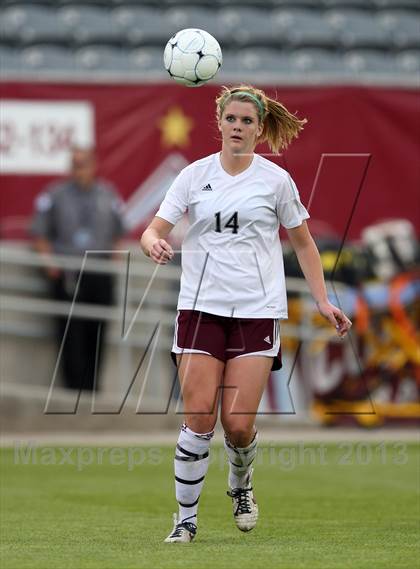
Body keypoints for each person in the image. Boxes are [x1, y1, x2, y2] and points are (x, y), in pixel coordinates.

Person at [140, 85, 352, 543]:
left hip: (257, 310)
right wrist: (154, 241)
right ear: (219, 122)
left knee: (237, 425)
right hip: (199, 308)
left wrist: (321, 299)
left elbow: (303, 243)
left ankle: (241, 483)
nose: (238, 127)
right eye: (231, 119)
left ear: (259, 129)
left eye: (247, 122)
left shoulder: (275, 181)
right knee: (199, 417)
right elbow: (152, 229)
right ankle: (184, 520)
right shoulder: (194, 176)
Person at [31, 146, 126, 391]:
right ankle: (72, 393)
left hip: (99, 274)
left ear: (94, 166)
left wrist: (115, 260)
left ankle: (92, 391)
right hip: (68, 274)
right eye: (74, 164)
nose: (79, 169)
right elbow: (39, 234)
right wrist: (49, 263)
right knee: (70, 337)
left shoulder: (107, 195)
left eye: (83, 164)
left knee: (97, 335)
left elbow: (119, 232)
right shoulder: (55, 195)